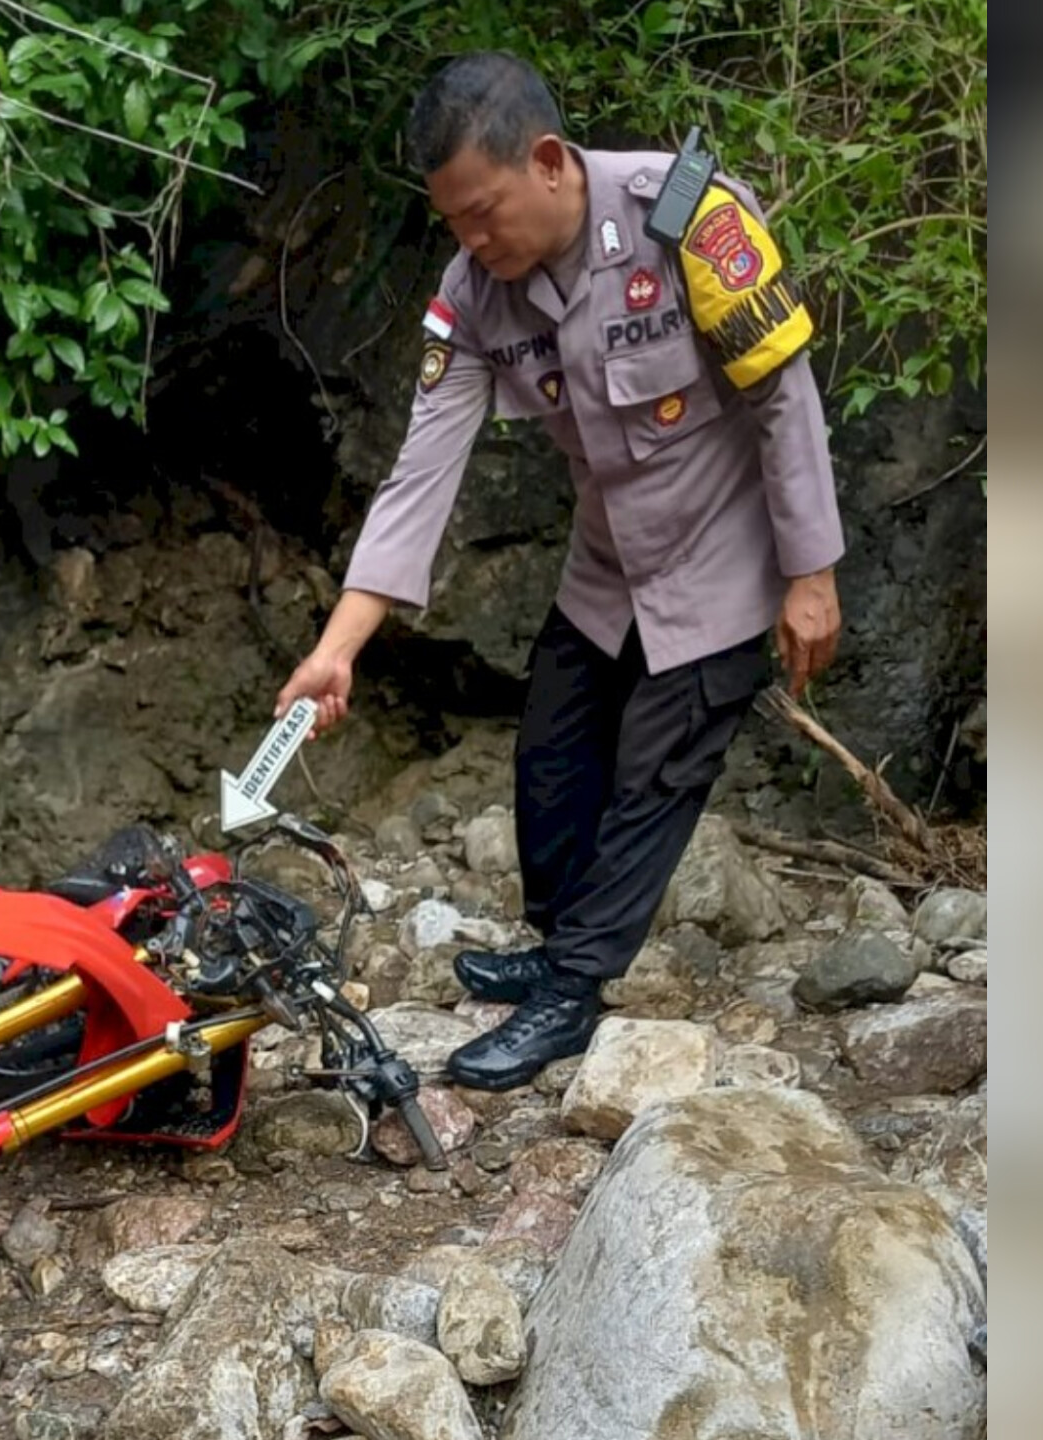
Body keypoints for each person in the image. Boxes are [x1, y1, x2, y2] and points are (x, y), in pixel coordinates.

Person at [274, 52, 846, 1090]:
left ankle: (574, 995)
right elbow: (419, 477)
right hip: (608, 566)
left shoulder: (686, 216)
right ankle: (555, 947)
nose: (472, 241)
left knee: (652, 781)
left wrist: (810, 576)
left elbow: (781, 393)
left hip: (722, 561)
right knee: (550, 757)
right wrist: (335, 650)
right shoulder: (473, 295)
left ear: (547, 162)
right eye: (453, 222)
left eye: (484, 213)